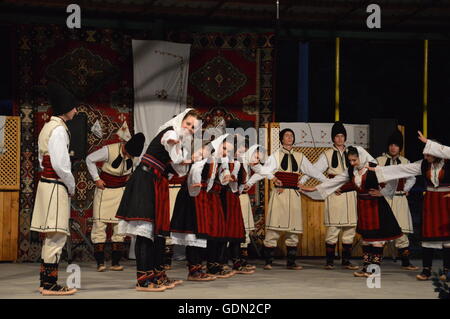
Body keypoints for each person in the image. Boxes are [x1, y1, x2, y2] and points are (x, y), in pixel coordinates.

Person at [115, 108, 200, 292]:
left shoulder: (179, 141)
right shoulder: (170, 132)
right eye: (188, 124)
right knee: (144, 230)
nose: (190, 129)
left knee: (156, 232)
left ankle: (155, 275)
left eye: (194, 128)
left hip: (156, 182)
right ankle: (143, 279)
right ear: (180, 121)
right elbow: (171, 147)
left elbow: (179, 169)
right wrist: (181, 150)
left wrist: (188, 158)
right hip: (146, 180)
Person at [301, 146, 402, 278]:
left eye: (354, 160)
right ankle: (366, 268)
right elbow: (335, 182)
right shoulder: (351, 170)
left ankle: (374, 270)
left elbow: (394, 177)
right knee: (366, 239)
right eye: (350, 160)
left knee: (376, 240)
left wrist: (383, 192)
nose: (352, 163)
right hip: (362, 205)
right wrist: (313, 188)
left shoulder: (373, 167)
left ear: (361, 156)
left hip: (375, 205)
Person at [371, 143, 450, 281]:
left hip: (445, 202)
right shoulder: (424, 164)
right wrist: (378, 170)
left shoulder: (448, 163)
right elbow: (402, 169)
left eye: (428, 154)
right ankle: (426, 270)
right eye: (424, 154)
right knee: (428, 237)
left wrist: (429, 142)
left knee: (447, 238)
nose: (425, 157)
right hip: (431, 202)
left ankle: (447, 271)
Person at [31, 82, 79, 295]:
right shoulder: (59, 130)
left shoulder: (47, 127)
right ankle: (50, 284)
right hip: (55, 187)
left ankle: (46, 282)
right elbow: (60, 164)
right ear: (65, 108)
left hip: (46, 186)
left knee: (51, 235)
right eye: (73, 106)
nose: (76, 110)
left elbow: (42, 161)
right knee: (57, 235)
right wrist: (71, 184)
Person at [263, 128, 328, 270]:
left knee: (293, 231)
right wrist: (273, 179)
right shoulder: (275, 155)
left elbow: (313, 171)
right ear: (281, 139)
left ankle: (291, 262)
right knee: (274, 228)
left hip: (294, 195)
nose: (289, 137)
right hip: (280, 194)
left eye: (291, 135)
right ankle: (268, 261)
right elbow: (265, 170)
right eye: (286, 135)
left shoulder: (300, 156)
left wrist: (327, 182)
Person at [299, 122, 359, 270]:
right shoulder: (327, 154)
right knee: (333, 227)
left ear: (345, 137)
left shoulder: (352, 152)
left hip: (350, 192)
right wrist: (301, 181)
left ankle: (346, 261)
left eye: (341, 136)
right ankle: (330, 261)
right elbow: (314, 170)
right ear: (333, 138)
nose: (339, 139)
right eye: (337, 136)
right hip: (334, 191)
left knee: (350, 228)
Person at [86, 133, 145, 272]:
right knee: (100, 226)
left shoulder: (134, 157)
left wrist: (130, 178)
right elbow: (89, 159)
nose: (130, 157)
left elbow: (134, 169)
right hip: (104, 191)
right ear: (125, 147)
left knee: (119, 228)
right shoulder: (109, 150)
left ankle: (115, 262)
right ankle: (100, 263)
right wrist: (96, 178)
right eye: (129, 154)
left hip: (120, 193)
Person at [376, 129, 418, 271]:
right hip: (385, 199)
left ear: (400, 147)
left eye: (396, 145)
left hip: (400, 199)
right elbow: (373, 178)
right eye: (391, 145)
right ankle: (375, 263)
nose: (393, 148)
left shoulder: (405, 162)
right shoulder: (379, 161)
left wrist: (406, 189)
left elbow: (412, 178)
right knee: (381, 232)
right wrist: (379, 192)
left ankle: (406, 262)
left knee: (402, 232)